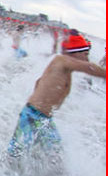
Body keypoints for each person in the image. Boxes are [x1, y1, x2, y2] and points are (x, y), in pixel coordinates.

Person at [7, 32, 105, 160]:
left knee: (54, 157)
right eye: (85, 54)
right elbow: (89, 67)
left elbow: (39, 82)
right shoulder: (62, 60)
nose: (87, 59)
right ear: (75, 52)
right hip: (33, 116)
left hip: (44, 119)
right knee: (16, 156)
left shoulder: (63, 69)